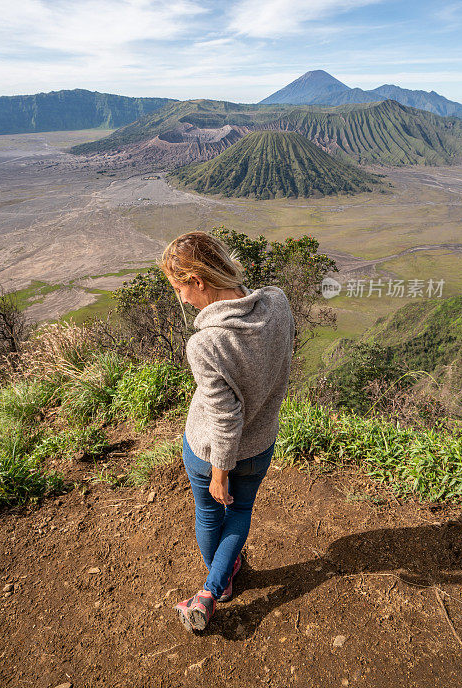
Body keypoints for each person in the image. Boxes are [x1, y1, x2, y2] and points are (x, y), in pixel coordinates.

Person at [158, 231, 295, 632]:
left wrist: (220, 470)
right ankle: (223, 576)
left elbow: (223, 417)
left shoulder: (206, 343)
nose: (182, 299)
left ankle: (215, 589)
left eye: (180, 288)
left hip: (207, 452)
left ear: (198, 281)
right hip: (259, 446)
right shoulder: (278, 303)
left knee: (208, 512)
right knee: (239, 513)